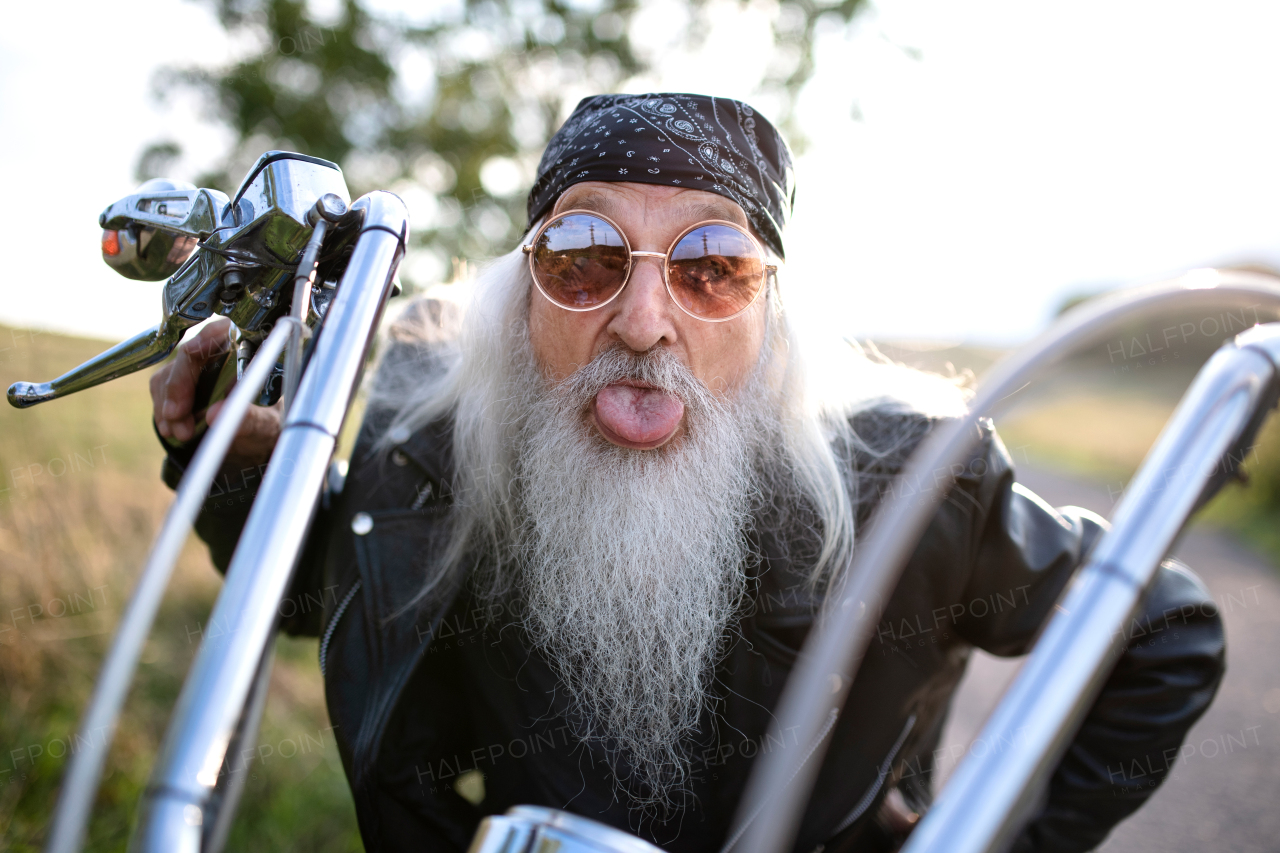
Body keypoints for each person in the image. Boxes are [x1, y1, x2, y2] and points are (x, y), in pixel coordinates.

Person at [150, 93, 1224, 853]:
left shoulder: (906, 481)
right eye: (583, 258)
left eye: (711, 269)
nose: (642, 321)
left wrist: (992, 835)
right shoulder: (435, 454)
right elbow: (316, 603)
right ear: (521, 295)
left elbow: (1161, 632)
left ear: (768, 305)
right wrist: (237, 472)